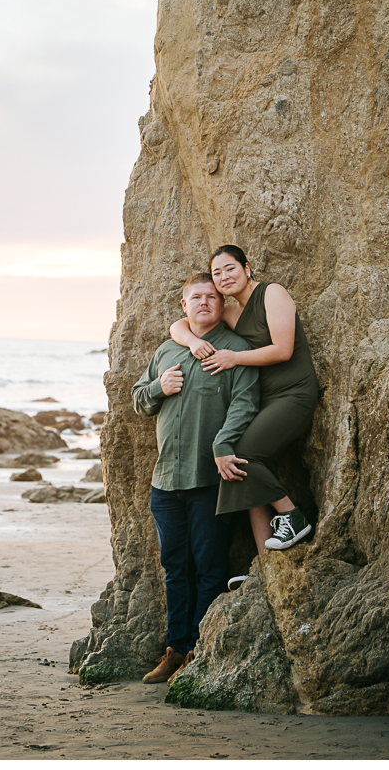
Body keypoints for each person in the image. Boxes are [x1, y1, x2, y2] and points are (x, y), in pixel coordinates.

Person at [132, 271, 260, 684]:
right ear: (183, 305)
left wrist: (223, 442)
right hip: (165, 482)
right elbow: (137, 400)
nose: (204, 302)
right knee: (175, 568)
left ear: (222, 305)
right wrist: (158, 387)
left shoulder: (236, 351)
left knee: (209, 568)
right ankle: (176, 648)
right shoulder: (166, 350)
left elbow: (245, 403)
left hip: (209, 481)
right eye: (196, 297)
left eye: (211, 296)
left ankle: (199, 653)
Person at [169, 245, 319, 563]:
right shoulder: (230, 310)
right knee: (238, 462)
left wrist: (234, 357)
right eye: (216, 273)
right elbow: (179, 325)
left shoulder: (272, 293)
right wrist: (195, 342)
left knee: (244, 454)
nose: (224, 276)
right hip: (265, 399)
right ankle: (264, 559)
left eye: (230, 268)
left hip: (294, 394)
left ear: (247, 268)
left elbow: (283, 350)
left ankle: (294, 517)